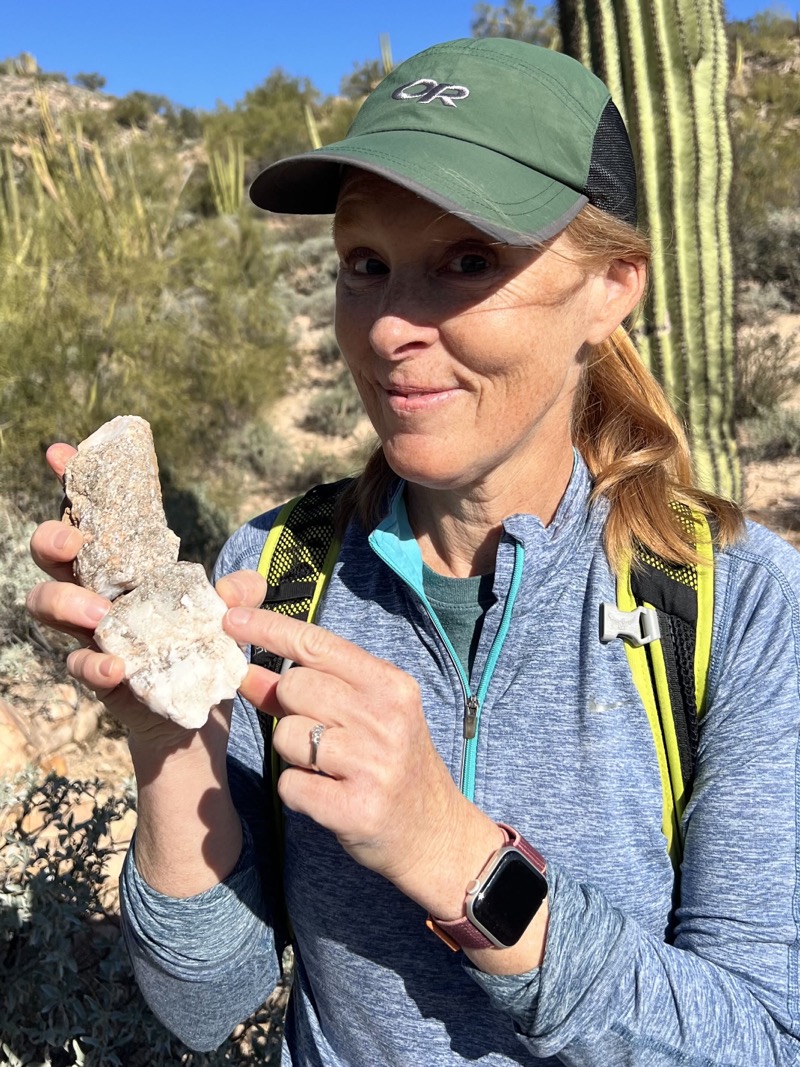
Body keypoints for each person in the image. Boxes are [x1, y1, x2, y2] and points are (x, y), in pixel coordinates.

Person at [27, 37, 800, 1066]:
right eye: (364, 265)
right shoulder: (279, 571)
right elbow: (206, 998)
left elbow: (760, 1036)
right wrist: (172, 743)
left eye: (466, 261)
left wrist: (454, 854)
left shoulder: (732, 604)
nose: (388, 325)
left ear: (611, 285)